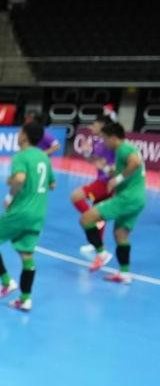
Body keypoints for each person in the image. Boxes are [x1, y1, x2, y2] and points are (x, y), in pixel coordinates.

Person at [0, 120, 55, 312]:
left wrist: (9, 196)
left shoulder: (21, 156)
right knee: (27, 255)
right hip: (38, 213)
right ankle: (25, 299)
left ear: (24, 135)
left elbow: (21, 179)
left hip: (20, 212)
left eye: (19, 131)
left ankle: (7, 282)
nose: (17, 134)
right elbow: (52, 184)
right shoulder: (44, 158)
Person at [80, 121, 147, 284]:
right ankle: (125, 274)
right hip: (138, 199)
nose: (103, 142)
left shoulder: (124, 148)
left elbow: (135, 163)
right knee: (120, 235)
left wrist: (117, 179)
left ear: (113, 137)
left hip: (127, 198)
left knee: (86, 219)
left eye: (104, 138)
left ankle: (101, 253)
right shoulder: (123, 150)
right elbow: (117, 170)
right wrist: (103, 168)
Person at [70, 114, 115, 259]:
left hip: (106, 183)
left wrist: (108, 169)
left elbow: (115, 164)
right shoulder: (97, 142)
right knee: (99, 213)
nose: (91, 127)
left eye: (94, 124)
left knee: (76, 196)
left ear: (102, 126)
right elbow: (95, 161)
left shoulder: (112, 143)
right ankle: (98, 244)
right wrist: (87, 152)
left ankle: (90, 218)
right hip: (101, 180)